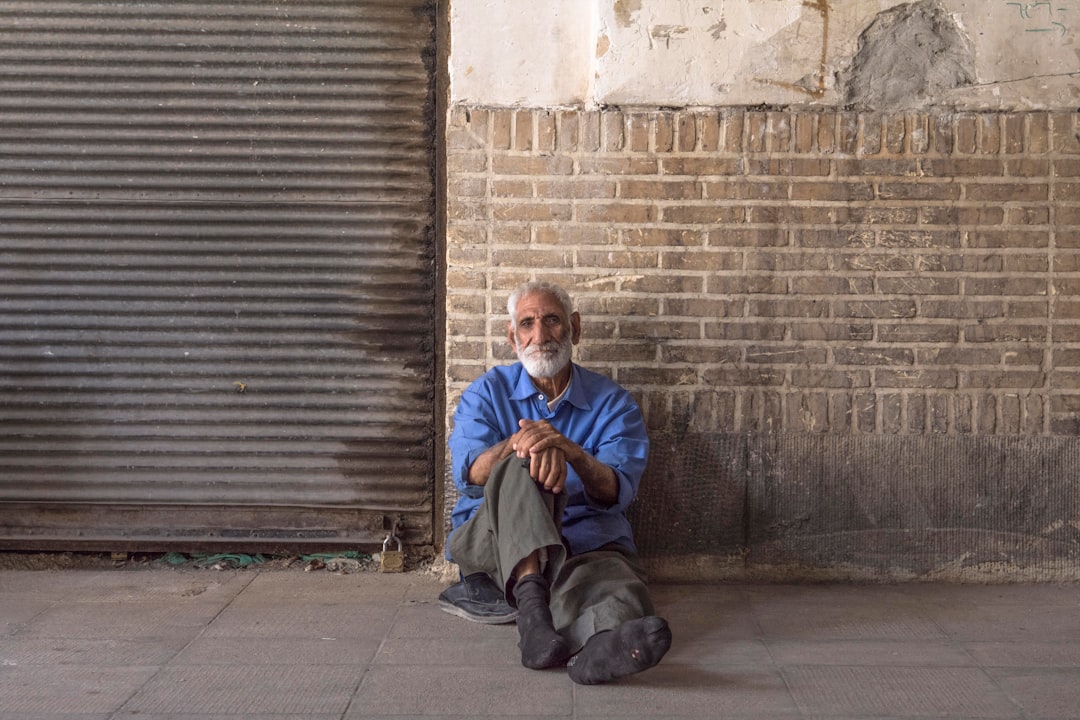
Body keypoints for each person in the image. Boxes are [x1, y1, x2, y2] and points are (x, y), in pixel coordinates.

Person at [438, 280, 671, 684]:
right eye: (527, 324)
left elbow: (616, 490)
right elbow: (472, 473)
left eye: (552, 321)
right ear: (513, 337)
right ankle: (532, 609)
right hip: (496, 541)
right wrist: (522, 444)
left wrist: (572, 452)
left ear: (574, 328)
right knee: (519, 463)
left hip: (585, 539)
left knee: (619, 586)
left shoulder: (613, 403)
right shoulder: (485, 394)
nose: (540, 335)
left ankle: (598, 650)